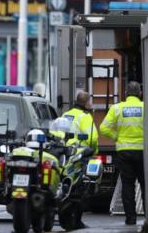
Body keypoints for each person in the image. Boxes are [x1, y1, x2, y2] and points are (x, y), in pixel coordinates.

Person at [100, 81, 144, 225]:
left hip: (124, 152)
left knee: (127, 185)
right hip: (142, 152)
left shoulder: (117, 108)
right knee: (145, 185)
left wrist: (116, 137)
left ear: (125, 94)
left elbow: (104, 128)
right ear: (140, 93)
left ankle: (130, 219)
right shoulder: (145, 107)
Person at [60, 91, 99, 229]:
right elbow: (92, 138)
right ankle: (77, 220)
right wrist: (94, 150)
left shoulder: (66, 114)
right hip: (80, 155)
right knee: (81, 189)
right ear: (87, 103)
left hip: (64, 155)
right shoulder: (85, 116)